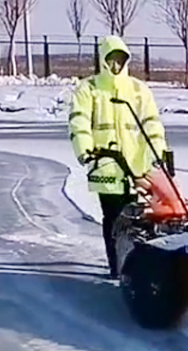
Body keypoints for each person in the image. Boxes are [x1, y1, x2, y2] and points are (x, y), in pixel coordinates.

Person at [68, 34, 168, 279]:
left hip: (136, 167)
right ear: (103, 60)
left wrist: (159, 151)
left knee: (140, 216)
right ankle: (117, 266)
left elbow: (152, 124)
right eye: (111, 59)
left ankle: (140, 260)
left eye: (120, 59)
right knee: (114, 218)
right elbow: (79, 122)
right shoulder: (89, 89)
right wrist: (85, 149)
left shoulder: (137, 90)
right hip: (106, 165)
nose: (115, 65)